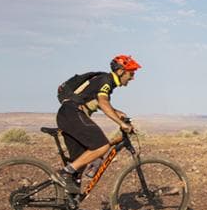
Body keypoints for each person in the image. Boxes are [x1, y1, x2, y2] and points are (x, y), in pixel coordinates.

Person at [51, 54, 140, 193]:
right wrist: (121, 124)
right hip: (72, 114)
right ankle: (64, 173)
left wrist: (118, 113)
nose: (133, 77)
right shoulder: (106, 80)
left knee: (79, 165)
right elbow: (103, 103)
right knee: (102, 146)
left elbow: (97, 101)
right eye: (131, 73)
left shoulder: (103, 81)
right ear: (121, 71)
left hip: (68, 114)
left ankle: (68, 205)